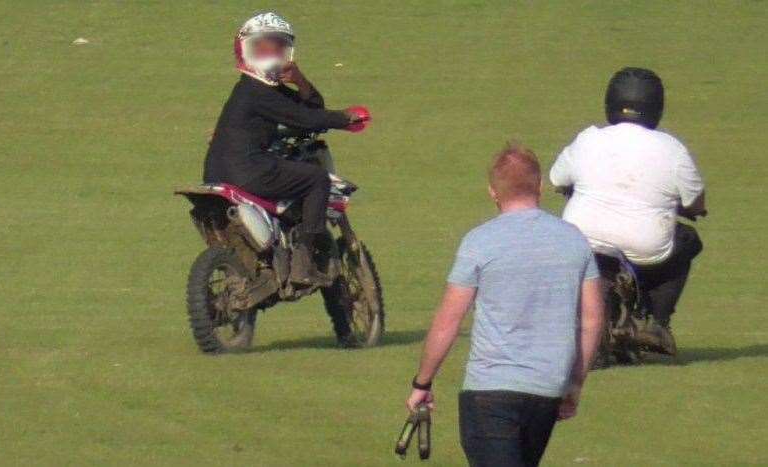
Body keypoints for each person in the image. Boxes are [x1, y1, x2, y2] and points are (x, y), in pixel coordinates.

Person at [405, 143, 605, 467]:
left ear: (493, 193)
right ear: (539, 186)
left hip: (490, 393)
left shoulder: (479, 242)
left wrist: (422, 382)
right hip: (546, 390)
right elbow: (593, 320)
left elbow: (448, 321)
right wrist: (574, 383)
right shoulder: (573, 240)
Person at [549, 67, 706, 355]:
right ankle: (657, 323)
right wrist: (691, 208)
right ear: (657, 108)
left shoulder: (589, 138)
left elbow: (557, 179)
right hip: (647, 247)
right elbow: (695, 200)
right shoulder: (672, 149)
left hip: (582, 238)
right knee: (687, 240)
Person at [203, 12, 363, 284]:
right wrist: (345, 119)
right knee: (316, 179)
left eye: (278, 45)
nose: (272, 52)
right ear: (246, 50)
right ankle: (305, 260)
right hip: (248, 170)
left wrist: (299, 80)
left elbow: (309, 110)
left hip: (216, 172)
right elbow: (309, 118)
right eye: (263, 46)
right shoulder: (257, 91)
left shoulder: (258, 89)